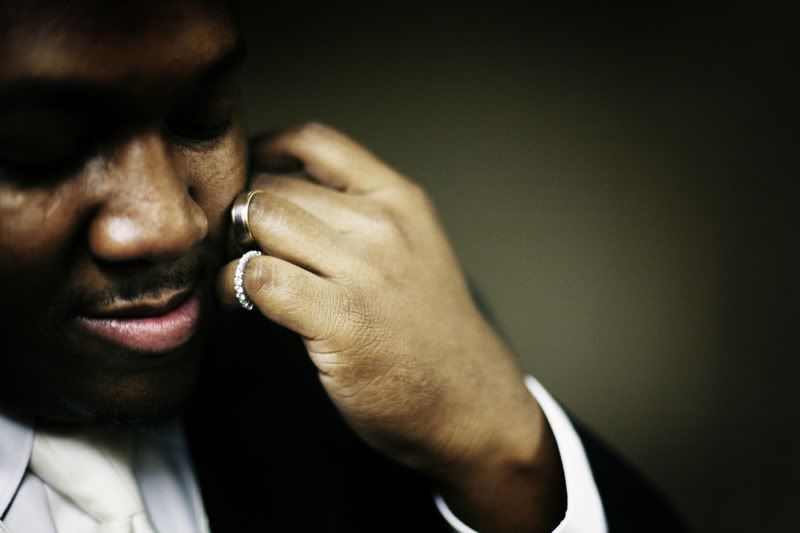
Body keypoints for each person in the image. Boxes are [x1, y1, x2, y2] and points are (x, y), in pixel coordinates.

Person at [0, 2, 687, 532]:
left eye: (201, 116)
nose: (172, 222)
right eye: (40, 152)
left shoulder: (354, 354)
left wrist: (503, 452)